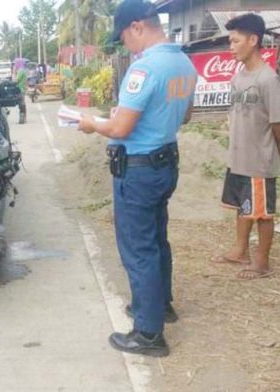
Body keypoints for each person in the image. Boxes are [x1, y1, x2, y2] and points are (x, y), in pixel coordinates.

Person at [77, 0, 196, 357]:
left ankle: (148, 333)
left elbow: (120, 128)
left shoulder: (144, 69)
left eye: (123, 36)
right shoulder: (184, 63)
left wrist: (91, 124)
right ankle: (161, 305)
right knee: (157, 240)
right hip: (165, 162)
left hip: (139, 169)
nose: (125, 44)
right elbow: (184, 115)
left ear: (137, 27)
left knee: (139, 248)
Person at [211, 14, 280, 279]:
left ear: (253, 40)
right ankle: (240, 251)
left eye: (235, 41)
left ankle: (262, 262)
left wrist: (279, 148)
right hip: (239, 158)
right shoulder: (239, 77)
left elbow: (279, 123)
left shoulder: (268, 80)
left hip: (260, 159)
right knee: (243, 207)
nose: (231, 47)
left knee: (263, 214)